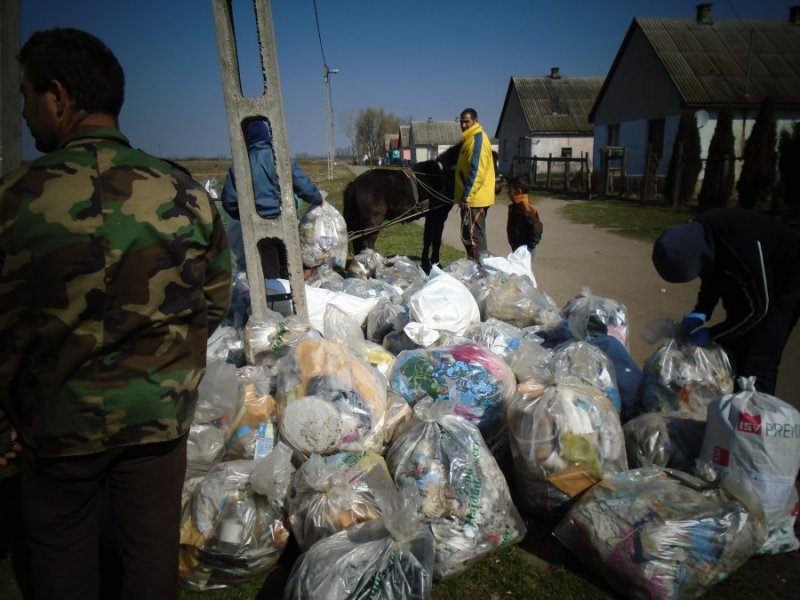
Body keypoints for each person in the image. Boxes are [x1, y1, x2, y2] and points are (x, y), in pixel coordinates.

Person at [0, 27, 232, 599]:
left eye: (27, 95)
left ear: (58, 96)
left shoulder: (15, 199)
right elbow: (216, 298)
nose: (25, 112)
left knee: (59, 559)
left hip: (56, 421)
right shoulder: (184, 193)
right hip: (157, 418)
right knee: (150, 555)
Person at [652, 207, 800, 395]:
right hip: (744, 277)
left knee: (758, 361)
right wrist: (702, 309)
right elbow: (711, 273)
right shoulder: (696, 236)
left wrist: (713, 334)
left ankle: (754, 417)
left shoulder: (740, 242)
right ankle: (730, 409)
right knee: (734, 350)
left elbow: (761, 308)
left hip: (783, 283)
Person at [221, 118, 322, 278]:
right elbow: (304, 187)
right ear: (268, 136)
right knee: (289, 272)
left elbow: (228, 202)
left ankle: (273, 299)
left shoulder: (239, 167)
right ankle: (289, 299)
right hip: (286, 224)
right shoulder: (283, 161)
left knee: (269, 275)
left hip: (259, 228)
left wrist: (244, 216)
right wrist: (318, 198)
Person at [454, 108, 496, 261]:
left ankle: (481, 273)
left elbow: (477, 171)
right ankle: (475, 268)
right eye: (462, 122)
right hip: (470, 200)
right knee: (468, 237)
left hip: (475, 200)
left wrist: (466, 197)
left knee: (475, 240)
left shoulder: (478, 139)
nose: (464, 125)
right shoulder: (469, 140)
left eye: (467, 121)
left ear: (475, 121)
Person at [506, 176, 543, 263]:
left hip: (525, 251)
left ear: (518, 191)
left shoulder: (526, 209)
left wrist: (529, 246)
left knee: (522, 272)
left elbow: (538, 228)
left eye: (510, 190)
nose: (508, 193)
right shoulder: (516, 206)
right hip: (517, 248)